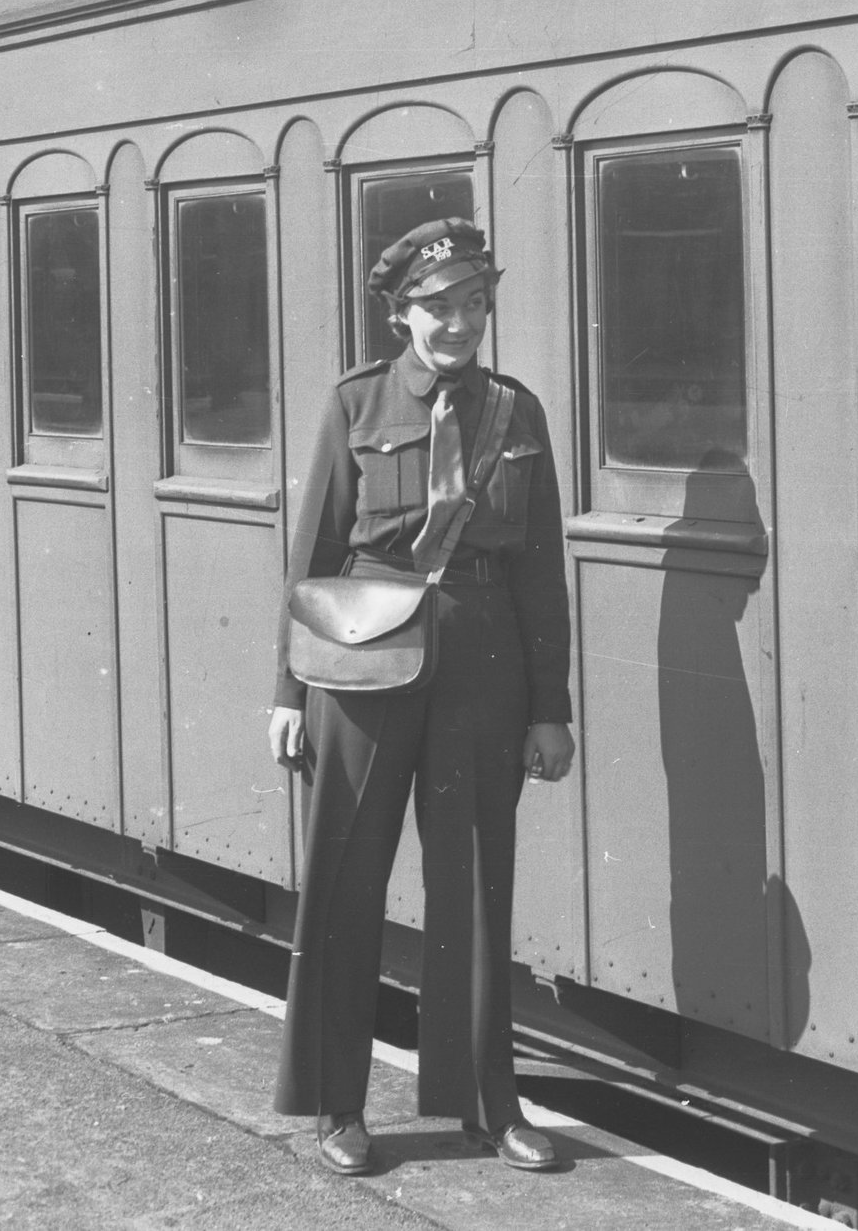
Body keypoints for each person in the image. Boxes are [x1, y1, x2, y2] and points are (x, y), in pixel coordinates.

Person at [266, 218, 576, 1176]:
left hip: (485, 666)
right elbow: (316, 550)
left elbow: (539, 572)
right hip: (363, 661)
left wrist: (549, 706)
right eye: (438, 306)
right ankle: (338, 1108)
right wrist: (287, 688)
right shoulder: (355, 404)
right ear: (401, 314)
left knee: (477, 886)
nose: (459, 323)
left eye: (475, 303)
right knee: (347, 881)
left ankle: (489, 1105)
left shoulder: (516, 413)